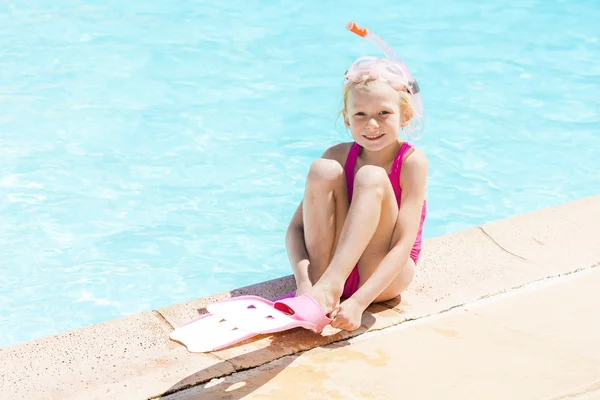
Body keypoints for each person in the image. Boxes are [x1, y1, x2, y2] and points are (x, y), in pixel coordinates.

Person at [279, 28, 428, 333]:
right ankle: (323, 289)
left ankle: (331, 288)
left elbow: (403, 245)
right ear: (346, 120)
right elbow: (295, 228)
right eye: (360, 114)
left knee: (371, 177)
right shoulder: (336, 154)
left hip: (383, 275)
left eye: (384, 113)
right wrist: (305, 282)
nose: (371, 124)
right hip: (326, 274)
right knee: (322, 169)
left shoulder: (412, 162)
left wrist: (359, 302)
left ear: (405, 117)